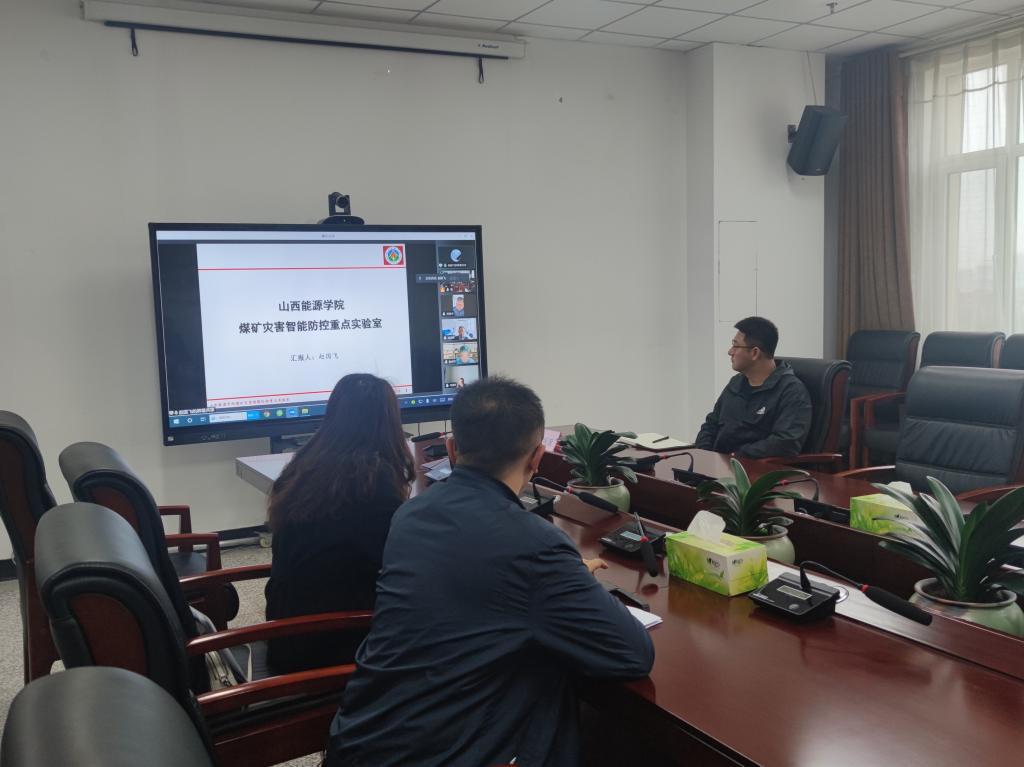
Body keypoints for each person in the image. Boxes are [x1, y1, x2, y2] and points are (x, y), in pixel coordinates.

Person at [327, 377, 654, 767]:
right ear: (537, 458)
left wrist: (556, 576)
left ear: (452, 448)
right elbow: (632, 653)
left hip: (359, 742)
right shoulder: (535, 543)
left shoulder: (411, 514)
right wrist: (568, 577)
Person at [264, 373, 415, 673]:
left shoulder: (303, 467)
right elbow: (399, 566)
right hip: (332, 644)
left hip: (288, 631)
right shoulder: (373, 483)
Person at [695, 316, 812, 458]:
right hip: (718, 463)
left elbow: (785, 444)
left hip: (751, 468)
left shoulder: (792, 391)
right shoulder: (736, 383)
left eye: (736, 346)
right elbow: (711, 424)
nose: (730, 352)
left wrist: (734, 457)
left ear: (755, 353)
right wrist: (705, 454)